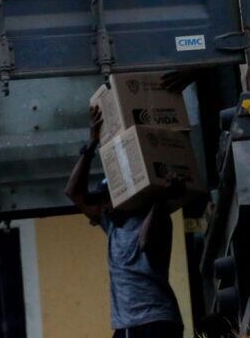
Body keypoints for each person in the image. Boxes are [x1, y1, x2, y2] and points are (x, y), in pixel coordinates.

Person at [65, 105, 184, 338]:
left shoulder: (155, 218)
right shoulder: (112, 226)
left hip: (155, 320)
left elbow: (146, 243)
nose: (104, 206)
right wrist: (91, 143)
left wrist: (161, 196)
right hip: (128, 326)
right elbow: (73, 193)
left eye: (107, 199)